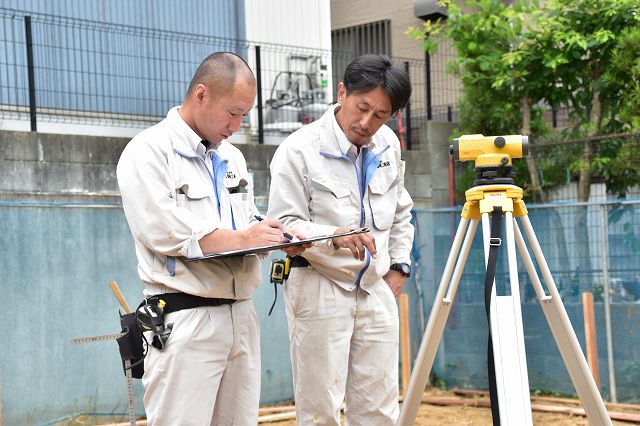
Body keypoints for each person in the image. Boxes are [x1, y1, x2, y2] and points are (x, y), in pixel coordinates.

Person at [117, 52, 308, 425]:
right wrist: (244, 237)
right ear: (201, 94)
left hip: (241, 313)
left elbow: (246, 220)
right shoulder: (148, 151)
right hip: (185, 316)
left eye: (244, 116)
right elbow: (165, 232)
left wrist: (275, 236)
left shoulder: (232, 157)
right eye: (233, 113)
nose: (236, 125)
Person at [267, 54, 414, 425]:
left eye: (380, 115)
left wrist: (398, 266)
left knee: (380, 408)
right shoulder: (298, 150)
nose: (367, 123)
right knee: (320, 409)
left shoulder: (388, 147)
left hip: (375, 287)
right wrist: (332, 236)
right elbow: (281, 224)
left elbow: (400, 211)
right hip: (319, 285)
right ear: (342, 91)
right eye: (362, 108)